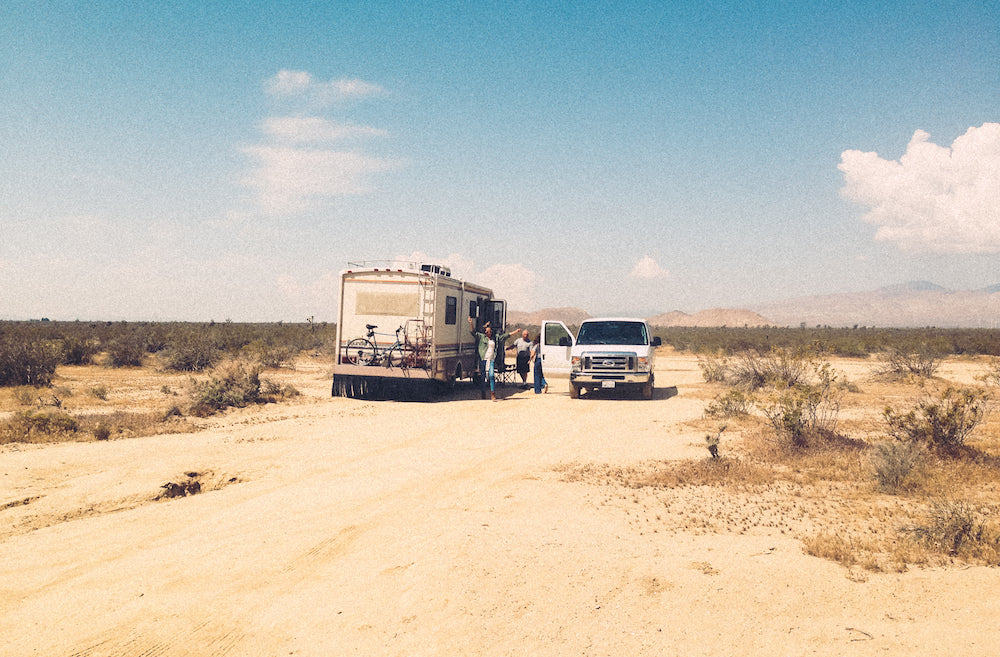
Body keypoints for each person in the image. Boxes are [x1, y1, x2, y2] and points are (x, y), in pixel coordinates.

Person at [468, 317, 519, 401]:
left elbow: (505, 336)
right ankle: (483, 392)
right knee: (483, 376)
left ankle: (493, 394)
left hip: (491, 359)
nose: (489, 333)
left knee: (491, 375)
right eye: (487, 331)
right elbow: (473, 332)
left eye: (490, 331)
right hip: (483, 359)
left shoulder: (495, 338)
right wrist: (471, 323)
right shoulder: (481, 337)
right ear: (485, 332)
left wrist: (516, 332)